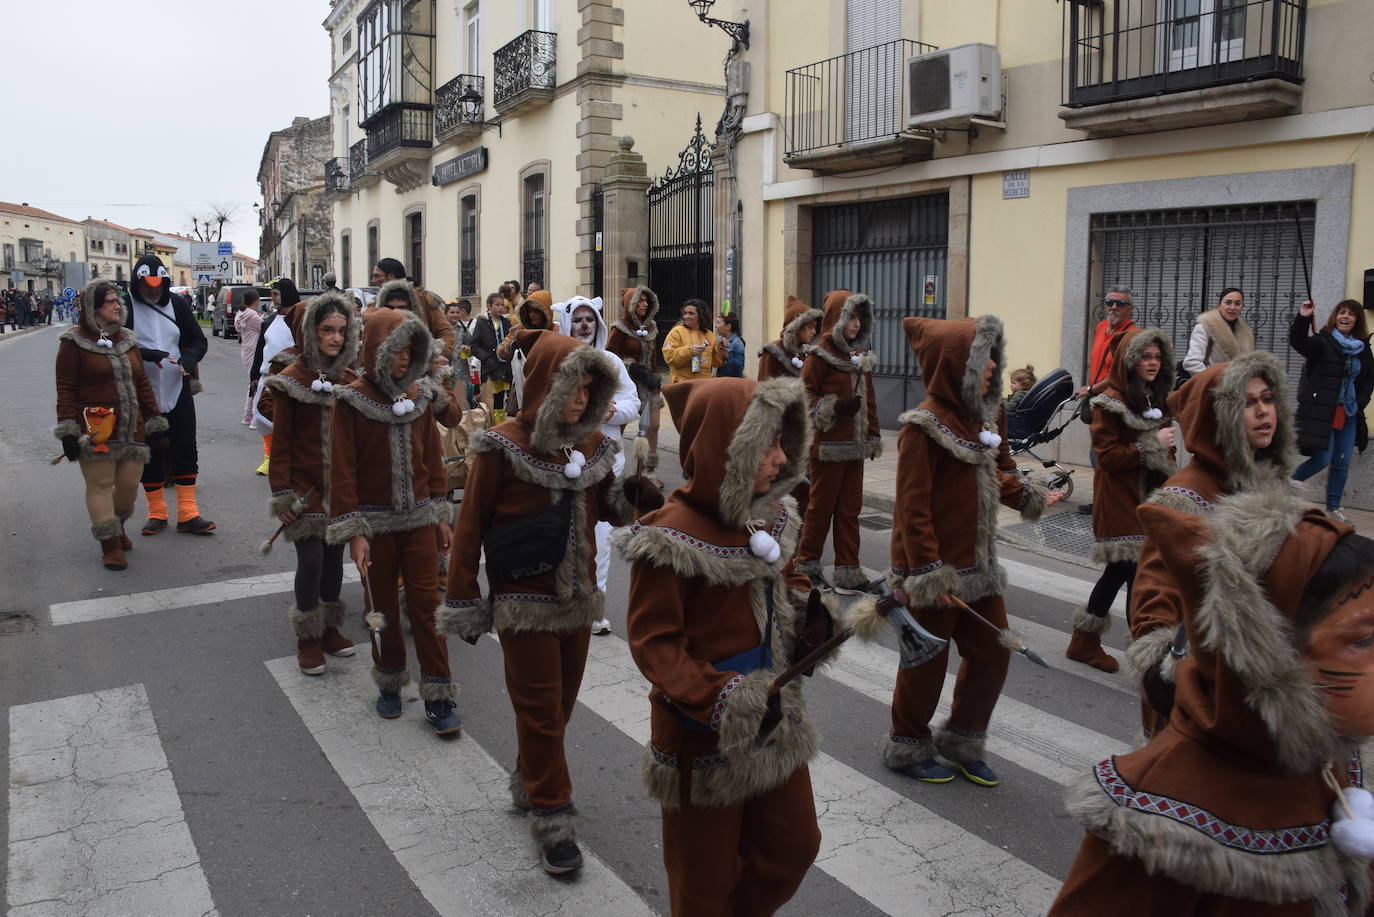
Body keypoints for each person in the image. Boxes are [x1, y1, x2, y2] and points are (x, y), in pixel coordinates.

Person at [1050, 490, 1374, 916]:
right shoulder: (1157, 828)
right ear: (1270, 657)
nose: (1265, 418)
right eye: (1364, 640)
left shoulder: (1329, 760)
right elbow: (1158, 588)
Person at [439, 329, 661, 876]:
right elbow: (470, 527)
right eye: (572, 388)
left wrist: (634, 498)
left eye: (590, 390)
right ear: (545, 385)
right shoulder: (501, 445)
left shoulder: (589, 447)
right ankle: (554, 817)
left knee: (560, 705)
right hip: (524, 602)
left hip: (580, 601)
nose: (581, 401)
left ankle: (531, 774)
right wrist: (464, 594)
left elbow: (605, 508)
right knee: (539, 710)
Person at [618, 375, 840, 916]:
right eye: (766, 445)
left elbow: (783, 591)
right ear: (728, 450)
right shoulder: (668, 538)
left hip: (774, 721)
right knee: (704, 882)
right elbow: (655, 645)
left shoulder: (769, 516)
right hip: (702, 735)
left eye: (783, 443)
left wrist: (812, 620)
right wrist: (724, 698)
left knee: (793, 846)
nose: (779, 458)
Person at [849, 314, 1056, 787]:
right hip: (935, 571)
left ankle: (963, 739)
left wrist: (1026, 493)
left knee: (992, 654)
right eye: (982, 359)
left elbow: (999, 469)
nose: (992, 368)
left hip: (980, 570)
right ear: (955, 364)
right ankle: (907, 742)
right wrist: (927, 573)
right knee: (926, 662)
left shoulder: (990, 415)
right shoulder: (923, 428)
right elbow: (912, 509)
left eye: (993, 357)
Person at [1128, 351, 1298, 737]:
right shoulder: (1184, 496)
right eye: (1247, 403)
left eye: (1268, 399)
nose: (1262, 412)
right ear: (1216, 416)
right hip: (1207, 693)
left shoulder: (1276, 485)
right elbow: (1153, 604)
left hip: (1270, 684)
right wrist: (1175, 676)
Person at [327, 309, 460, 736]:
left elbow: (432, 462)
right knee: (379, 607)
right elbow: (342, 472)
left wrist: (440, 514)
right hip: (374, 527)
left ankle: (439, 695)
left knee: (427, 608)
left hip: (420, 521)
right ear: (377, 350)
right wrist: (354, 534)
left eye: (410, 350)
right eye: (397, 350)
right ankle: (390, 681)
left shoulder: (419, 396)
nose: (404, 359)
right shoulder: (350, 400)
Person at [261, 292, 361, 675]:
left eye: (341, 330)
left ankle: (330, 628)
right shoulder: (291, 380)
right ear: (310, 333)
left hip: (341, 487)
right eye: (326, 330)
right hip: (303, 488)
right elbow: (281, 442)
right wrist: (282, 494)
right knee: (313, 559)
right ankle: (308, 637)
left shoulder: (350, 378)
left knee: (335, 560)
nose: (335, 338)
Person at [1072, 329, 1176, 673]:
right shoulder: (1109, 402)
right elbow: (1109, 457)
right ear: (1131, 360)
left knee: (1118, 573)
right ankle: (1148, 659)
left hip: (1148, 500)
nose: (1153, 363)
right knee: (1138, 577)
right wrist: (1153, 445)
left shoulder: (1155, 397)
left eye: (1158, 357)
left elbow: (1164, 452)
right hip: (1119, 501)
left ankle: (1084, 641)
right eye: (1146, 357)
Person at [53, 279, 169, 570]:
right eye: (110, 301)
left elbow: (142, 383)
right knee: (101, 485)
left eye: (118, 299)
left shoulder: (127, 339)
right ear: (93, 308)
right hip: (96, 429)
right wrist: (68, 429)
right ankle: (109, 544)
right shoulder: (73, 343)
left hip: (133, 427)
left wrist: (155, 421)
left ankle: (116, 525)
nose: (118, 304)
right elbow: (65, 388)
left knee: (129, 486)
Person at [553, 295, 641, 635]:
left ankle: (594, 608)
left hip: (605, 465)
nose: (585, 325)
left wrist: (611, 411)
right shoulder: (558, 360)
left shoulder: (611, 362)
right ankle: (563, 600)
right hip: (563, 464)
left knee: (600, 541)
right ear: (568, 324)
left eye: (591, 320)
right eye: (578, 320)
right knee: (565, 539)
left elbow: (633, 402)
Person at [796, 290, 882, 591]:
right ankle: (806, 565)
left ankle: (848, 571)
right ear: (837, 319)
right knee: (820, 508)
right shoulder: (819, 355)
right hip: (828, 448)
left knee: (849, 510)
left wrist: (873, 433)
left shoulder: (858, 359)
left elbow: (869, 399)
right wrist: (833, 406)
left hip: (854, 448)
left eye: (861, 318)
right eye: (851, 318)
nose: (857, 325)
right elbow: (804, 396)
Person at [124, 253, 214, 536]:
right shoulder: (126, 308)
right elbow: (114, 345)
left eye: (157, 284)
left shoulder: (176, 304)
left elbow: (198, 339)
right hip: (142, 392)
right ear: (136, 284)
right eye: (146, 285)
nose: (152, 290)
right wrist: (146, 354)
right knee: (148, 451)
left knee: (185, 447)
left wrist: (189, 359)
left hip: (177, 387)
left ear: (164, 282)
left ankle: (188, 513)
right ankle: (156, 513)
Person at [1290, 298, 1372, 522]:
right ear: (1335, 317)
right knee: (1322, 459)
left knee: (1342, 462)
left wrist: (1360, 403)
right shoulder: (1322, 342)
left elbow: (1368, 379)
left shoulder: (1362, 347)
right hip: (1322, 413)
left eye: (1351, 314)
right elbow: (1298, 342)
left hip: (1349, 413)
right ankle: (1284, 489)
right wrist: (1303, 317)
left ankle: (1334, 508)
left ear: (1357, 320)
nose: (1345, 317)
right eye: (1342, 313)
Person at [1075, 286, 1137, 515]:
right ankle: (1105, 497)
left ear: (1130, 309)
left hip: (1115, 402)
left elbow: (1117, 374)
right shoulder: (1101, 327)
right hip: (1097, 400)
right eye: (1110, 302)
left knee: (1105, 453)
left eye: (1120, 304)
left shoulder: (1131, 336)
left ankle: (1109, 500)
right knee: (1099, 452)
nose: (1113, 307)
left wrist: (1091, 388)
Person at [607, 285, 664, 482]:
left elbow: (654, 357)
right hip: (626, 384)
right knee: (618, 427)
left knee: (653, 426)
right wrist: (630, 367)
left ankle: (649, 471)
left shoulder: (652, 328)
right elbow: (609, 357)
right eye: (640, 300)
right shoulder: (619, 328)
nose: (644, 304)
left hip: (649, 384)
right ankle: (610, 469)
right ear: (630, 304)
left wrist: (655, 378)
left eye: (647, 301)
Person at [370, 257, 455, 358]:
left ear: (391, 277)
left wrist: (441, 355)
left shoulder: (424, 300)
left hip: (421, 365)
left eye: (377, 276)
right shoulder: (374, 306)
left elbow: (445, 331)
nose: (373, 280)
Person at [1182, 287, 1254, 376]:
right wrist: (1216, 380)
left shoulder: (1245, 332)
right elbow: (1191, 362)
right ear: (1219, 305)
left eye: (1237, 303)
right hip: (1214, 386)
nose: (1232, 307)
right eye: (1228, 303)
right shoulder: (1205, 327)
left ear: (1242, 307)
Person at [469, 291, 513, 423]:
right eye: (497, 305)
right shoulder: (482, 323)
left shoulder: (506, 322)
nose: (500, 308)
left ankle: (500, 424)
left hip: (504, 367)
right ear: (489, 306)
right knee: (489, 398)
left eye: (502, 305)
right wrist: (486, 358)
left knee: (501, 399)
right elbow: (474, 345)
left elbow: (510, 341)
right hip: (489, 368)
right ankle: (489, 424)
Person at [757, 295, 822, 382]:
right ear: (796, 327)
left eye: (815, 327)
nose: (814, 332)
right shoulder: (773, 351)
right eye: (810, 327)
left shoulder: (805, 353)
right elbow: (763, 386)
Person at [662, 299, 721, 383]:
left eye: (691, 313)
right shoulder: (676, 332)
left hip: (704, 384)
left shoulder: (710, 335)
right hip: (683, 384)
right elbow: (669, 358)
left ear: (701, 315)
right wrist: (689, 351)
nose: (686, 316)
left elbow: (715, 362)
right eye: (685, 313)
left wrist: (722, 351)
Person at [234, 289, 264, 426]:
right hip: (254, 349)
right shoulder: (252, 316)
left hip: (246, 348)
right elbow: (263, 327)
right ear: (256, 301)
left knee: (253, 381)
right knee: (256, 382)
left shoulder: (241, 313)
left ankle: (248, 414)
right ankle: (253, 417)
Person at [713, 313, 745, 378]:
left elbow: (739, 368)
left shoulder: (737, 343)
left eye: (718, 322)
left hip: (732, 382)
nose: (715, 326)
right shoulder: (718, 339)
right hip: (718, 380)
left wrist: (727, 355)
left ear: (728, 326)